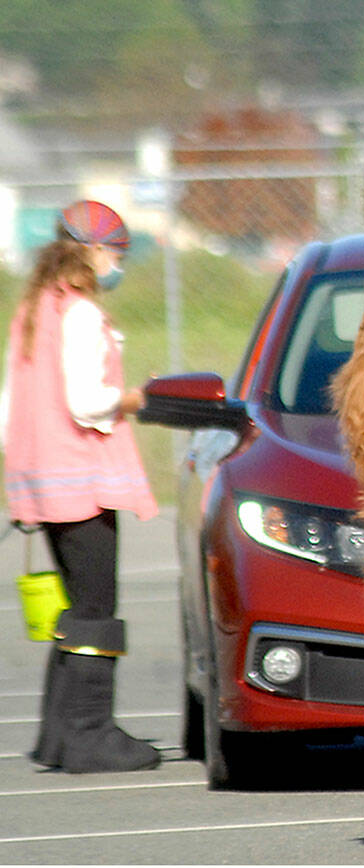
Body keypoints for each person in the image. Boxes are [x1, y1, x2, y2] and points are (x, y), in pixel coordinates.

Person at [1, 200, 160, 773]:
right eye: (116, 254)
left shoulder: (34, 308)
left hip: (39, 481)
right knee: (97, 608)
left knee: (75, 606)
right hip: (81, 481)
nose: (117, 265)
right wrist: (135, 399)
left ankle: (58, 735)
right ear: (93, 252)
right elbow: (86, 403)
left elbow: (9, 405)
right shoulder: (83, 313)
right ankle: (92, 733)